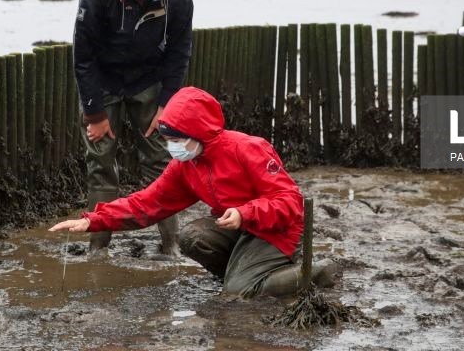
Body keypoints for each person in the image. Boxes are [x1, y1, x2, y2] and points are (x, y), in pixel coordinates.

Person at [50, 87, 337, 298]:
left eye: (177, 139)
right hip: (239, 226)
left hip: (278, 229)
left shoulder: (248, 148)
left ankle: (314, 272)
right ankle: (242, 274)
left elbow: (290, 202)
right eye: (168, 140)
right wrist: (93, 220)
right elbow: (147, 203)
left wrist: (244, 212)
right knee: (192, 237)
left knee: (239, 293)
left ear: (198, 132)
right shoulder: (185, 165)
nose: (172, 147)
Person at [73, 0, 193, 255]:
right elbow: (83, 57)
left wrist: (167, 105)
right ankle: (98, 247)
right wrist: (95, 115)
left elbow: (180, 52)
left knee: (160, 161)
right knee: (100, 163)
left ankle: (171, 246)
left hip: (149, 82)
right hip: (103, 83)